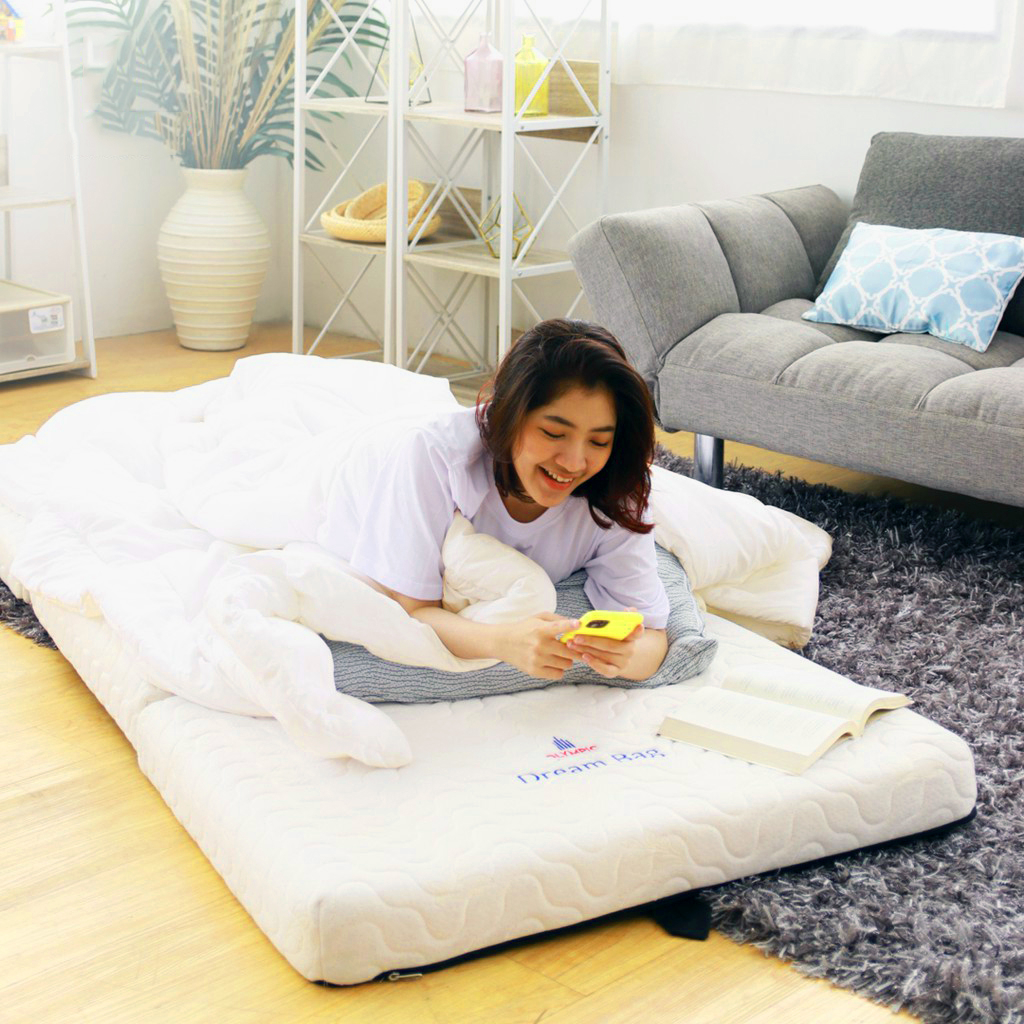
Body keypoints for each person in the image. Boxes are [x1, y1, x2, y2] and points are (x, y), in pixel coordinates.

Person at [321, 318, 669, 682]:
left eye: (599, 441)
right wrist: (502, 642)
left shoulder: (617, 492)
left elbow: (653, 638)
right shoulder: (434, 458)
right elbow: (412, 611)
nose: (573, 462)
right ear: (511, 414)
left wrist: (623, 655)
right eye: (554, 433)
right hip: (351, 466)